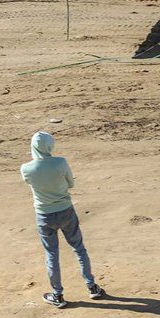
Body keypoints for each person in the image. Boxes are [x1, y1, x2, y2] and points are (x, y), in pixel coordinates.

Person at [19, 132, 105, 308]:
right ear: (50, 146)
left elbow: (30, 182)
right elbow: (71, 184)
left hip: (44, 215)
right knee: (79, 249)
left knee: (51, 254)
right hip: (65, 210)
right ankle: (92, 287)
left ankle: (57, 295)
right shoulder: (60, 162)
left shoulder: (26, 168)